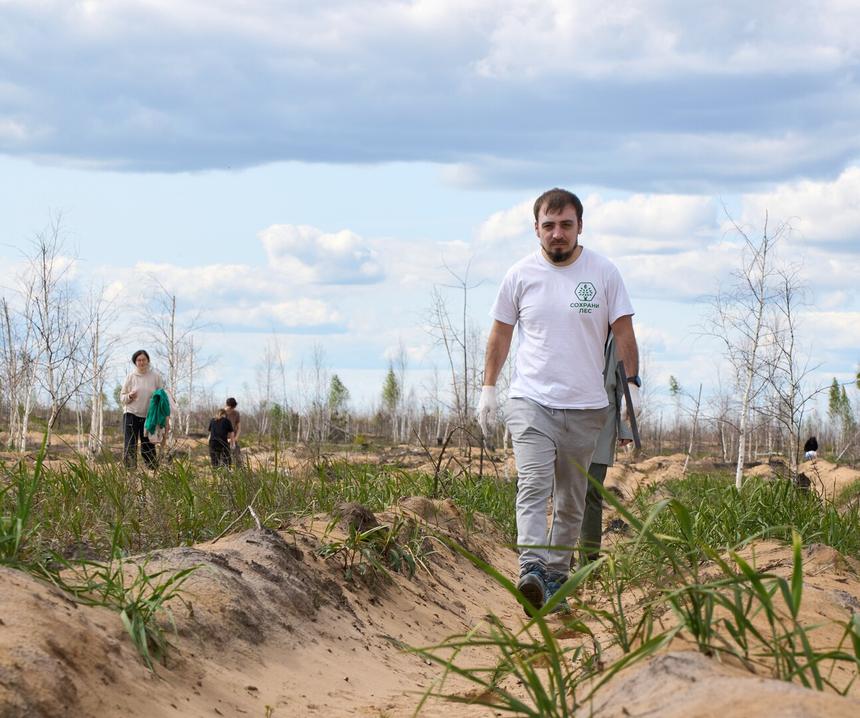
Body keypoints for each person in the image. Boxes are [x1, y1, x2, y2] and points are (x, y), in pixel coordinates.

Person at [477, 187, 640, 615]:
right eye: (548, 226)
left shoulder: (604, 274)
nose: (557, 234)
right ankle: (530, 567)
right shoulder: (519, 275)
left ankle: (554, 578)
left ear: (579, 226)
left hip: (587, 407)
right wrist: (488, 387)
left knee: (571, 498)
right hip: (530, 400)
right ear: (536, 229)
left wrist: (631, 394)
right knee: (533, 483)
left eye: (565, 225)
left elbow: (623, 334)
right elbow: (500, 334)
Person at [580, 332, 633, 565]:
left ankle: (588, 562)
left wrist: (624, 427)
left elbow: (623, 385)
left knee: (591, 491)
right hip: (569, 414)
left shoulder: (618, 336)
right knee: (564, 492)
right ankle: (555, 561)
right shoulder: (575, 323)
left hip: (603, 420)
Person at [120, 350, 166, 469]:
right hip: (131, 414)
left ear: (148, 361)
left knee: (148, 445)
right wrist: (129, 396)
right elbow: (122, 397)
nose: (141, 362)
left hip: (149, 417)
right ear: (135, 362)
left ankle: (152, 473)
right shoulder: (130, 377)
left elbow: (162, 396)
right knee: (130, 444)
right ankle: (130, 474)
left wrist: (164, 416)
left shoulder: (156, 377)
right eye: (138, 360)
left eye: (143, 359)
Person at [224, 397, 242, 467]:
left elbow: (239, 427)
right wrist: (225, 439)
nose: (232, 409)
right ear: (227, 405)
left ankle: (240, 474)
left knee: (238, 458)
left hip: (233, 439)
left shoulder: (236, 413)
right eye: (230, 408)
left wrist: (236, 437)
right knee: (225, 459)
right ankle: (226, 474)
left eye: (233, 408)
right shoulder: (221, 413)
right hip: (223, 440)